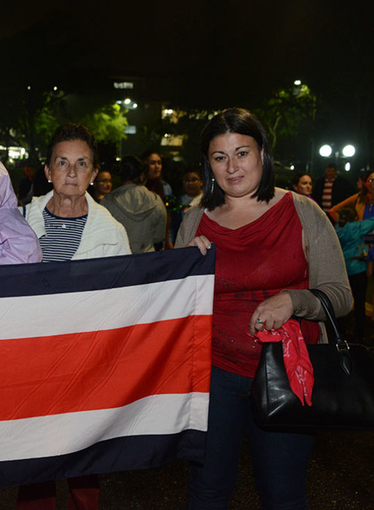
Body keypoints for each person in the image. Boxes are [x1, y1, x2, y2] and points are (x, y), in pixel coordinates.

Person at [176, 108, 352, 509]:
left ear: (262, 154)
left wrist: (295, 300)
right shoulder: (194, 220)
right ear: (208, 165)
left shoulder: (303, 211)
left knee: (283, 494)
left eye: (242, 152)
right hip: (211, 375)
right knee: (206, 492)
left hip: (288, 374)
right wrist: (181, 268)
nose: (232, 166)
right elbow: (173, 308)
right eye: (220, 157)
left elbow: (341, 295)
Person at [17, 124, 130, 510]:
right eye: (62, 162)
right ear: (47, 171)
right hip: (32, 361)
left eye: (81, 164)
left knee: (85, 461)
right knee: (35, 463)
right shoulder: (17, 222)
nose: (71, 172)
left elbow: (125, 301)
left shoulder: (111, 233)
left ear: (94, 174)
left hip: (86, 363)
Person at [101, 156, 166, 253]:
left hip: (119, 259)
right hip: (147, 259)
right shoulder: (156, 201)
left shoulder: (107, 202)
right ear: (142, 176)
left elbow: (103, 236)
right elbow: (158, 237)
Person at [334, 207, 374, 342]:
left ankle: (340, 331)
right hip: (357, 269)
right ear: (356, 218)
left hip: (342, 270)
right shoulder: (358, 227)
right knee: (360, 301)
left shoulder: (337, 229)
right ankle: (360, 332)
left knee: (342, 301)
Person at [142, 149, 173, 249]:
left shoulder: (165, 187)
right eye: (152, 163)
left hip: (161, 239)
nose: (157, 167)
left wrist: (168, 240)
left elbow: (168, 216)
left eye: (159, 163)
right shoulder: (139, 189)